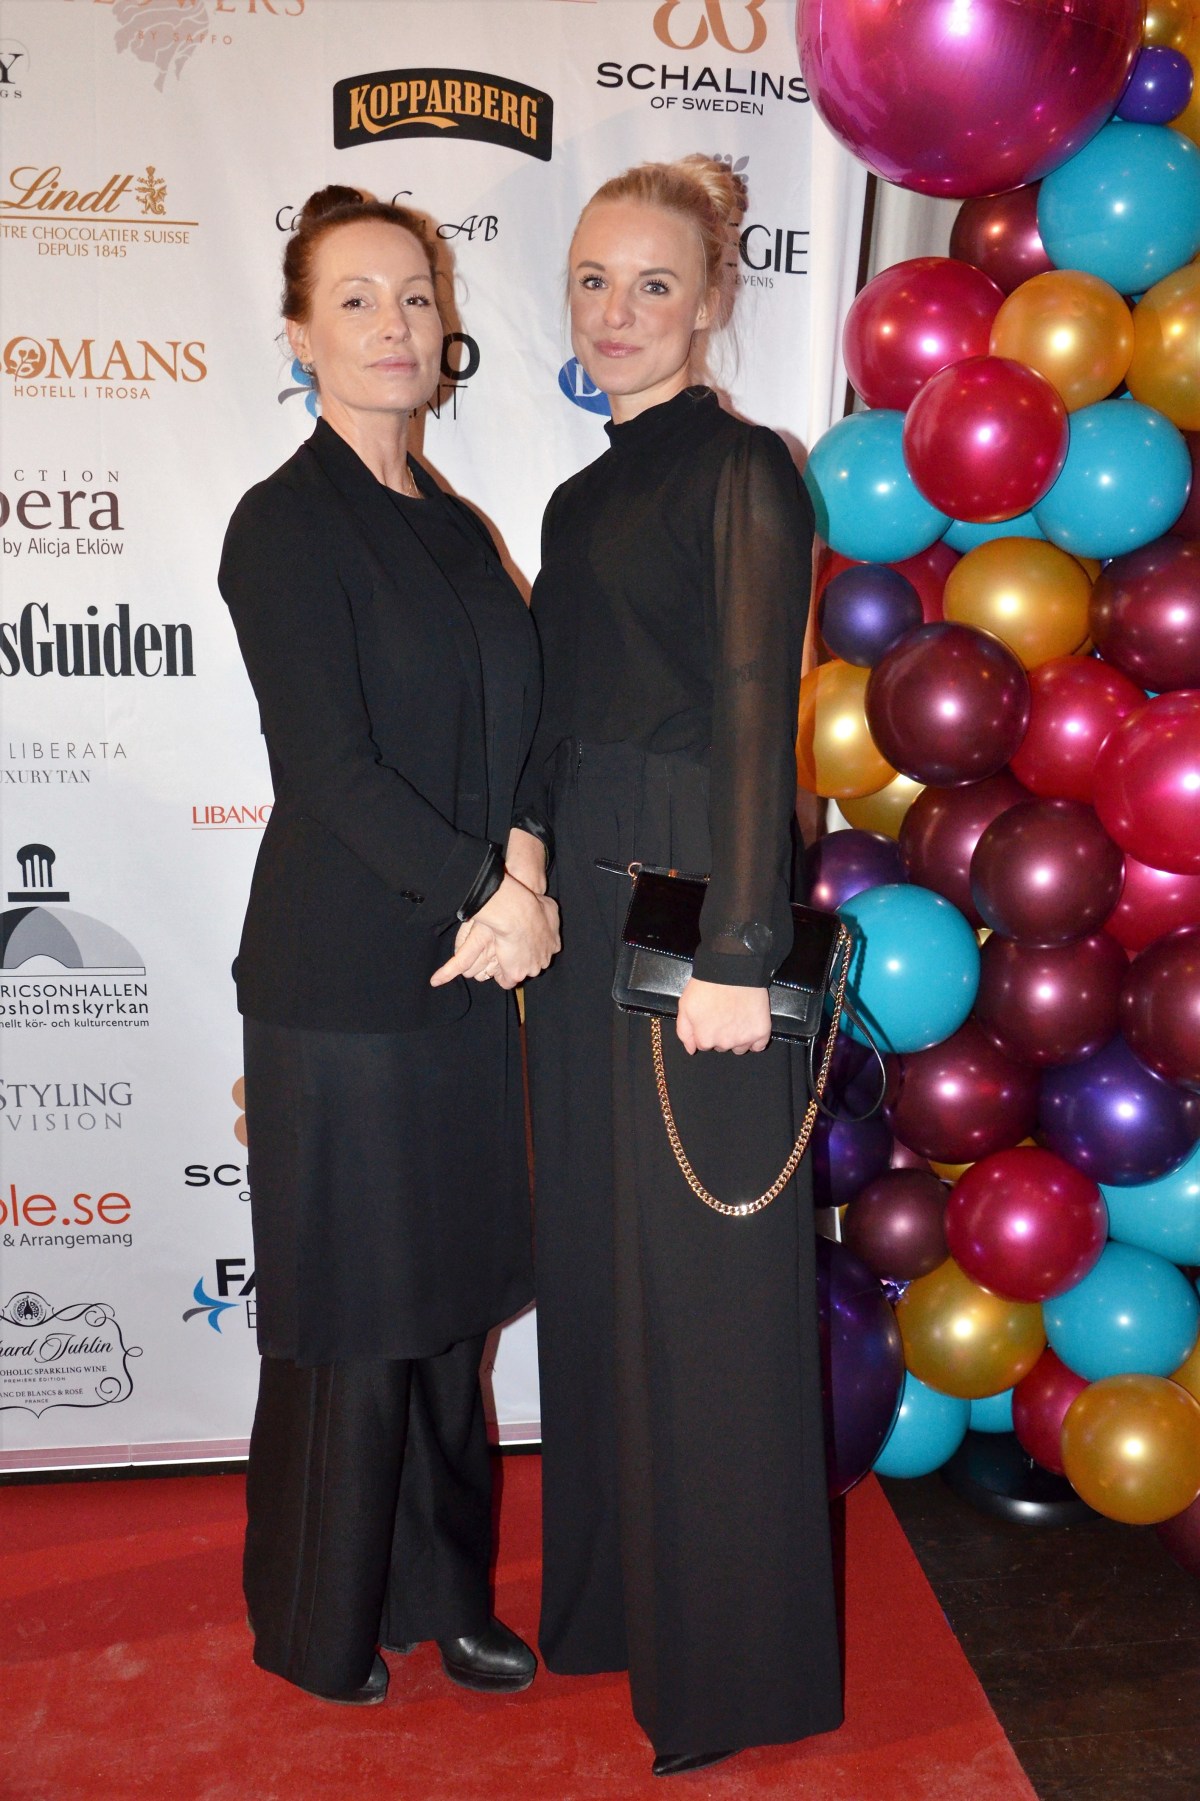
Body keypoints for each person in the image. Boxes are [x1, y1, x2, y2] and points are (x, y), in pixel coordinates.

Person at [515, 157, 843, 1777]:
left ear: (713, 299)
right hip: (581, 914)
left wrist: (735, 946)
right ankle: (610, 1607)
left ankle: (734, 1674)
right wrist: (524, 871)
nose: (618, 311)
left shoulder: (745, 471)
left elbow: (753, 713)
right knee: (595, 1271)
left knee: (706, 1295)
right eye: (594, 279)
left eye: (654, 283)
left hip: (698, 916)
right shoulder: (576, 501)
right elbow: (552, 720)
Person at [218, 184, 558, 1707]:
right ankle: (318, 1616)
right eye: (354, 299)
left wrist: (525, 855)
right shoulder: (283, 523)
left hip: (473, 970)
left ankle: (443, 1590)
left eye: (415, 295)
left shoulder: (455, 525)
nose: (394, 324)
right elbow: (329, 769)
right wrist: (487, 890)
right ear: (299, 334)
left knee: (445, 1308)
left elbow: (520, 726)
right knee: (354, 1318)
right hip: (344, 981)